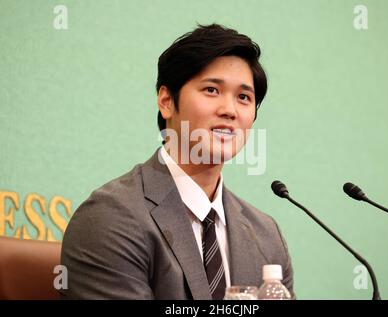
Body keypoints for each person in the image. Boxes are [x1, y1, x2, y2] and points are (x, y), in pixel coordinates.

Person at [60, 23, 295, 300]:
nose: (229, 110)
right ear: (167, 101)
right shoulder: (111, 218)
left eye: (244, 97)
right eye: (211, 90)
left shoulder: (266, 237)